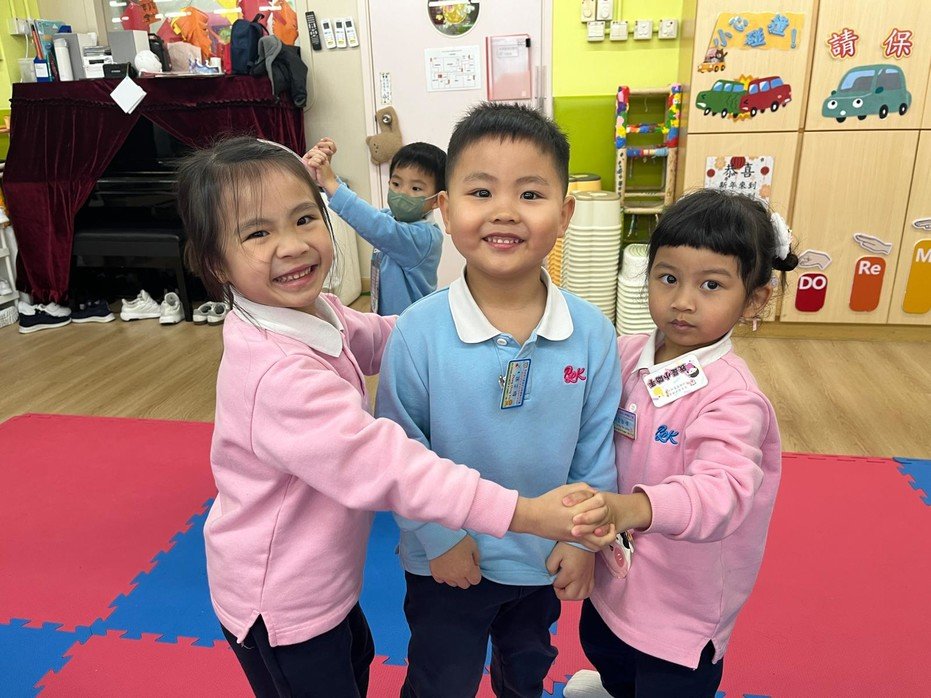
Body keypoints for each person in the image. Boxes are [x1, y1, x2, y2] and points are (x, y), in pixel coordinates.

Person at [175, 136, 615, 698]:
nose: (292, 245)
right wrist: (524, 514)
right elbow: (387, 464)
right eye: (258, 233)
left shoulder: (319, 313)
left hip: (329, 581)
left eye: (304, 218)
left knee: (357, 663)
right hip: (280, 600)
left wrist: (453, 328)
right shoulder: (275, 373)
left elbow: (386, 333)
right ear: (217, 263)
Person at [374, 103, 622, 698]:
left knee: (527, 672)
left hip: (542, 557)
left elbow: (595, 450)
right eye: (481, 192)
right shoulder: (417, 332)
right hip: (447, 559)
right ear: (445, 209)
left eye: (530, 194)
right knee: (441, 679)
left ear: (564, 214)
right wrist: (440, 537)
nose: (504, 211)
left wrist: (580, 540)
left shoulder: (592, 333)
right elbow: (400, 451)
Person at [565, 188, 799, 697]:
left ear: (754, 299)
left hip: (685, 597)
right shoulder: (626, 354)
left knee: (668, 678)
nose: (683, 301)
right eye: (668, 278)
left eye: (711, 285)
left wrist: (634, 507)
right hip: (618, 569)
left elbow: (724, 489)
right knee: (605, 644)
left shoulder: (734, 397)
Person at [303, 138, 444, 316]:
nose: (402, 193)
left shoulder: (425, 238)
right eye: (396, 184)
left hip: (409, 324)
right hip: (384, 316)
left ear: (437, 200)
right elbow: (366, 215)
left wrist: (331, 183)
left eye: (416, 188)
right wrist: (324, 178)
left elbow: (375, 224)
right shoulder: (391, 217)